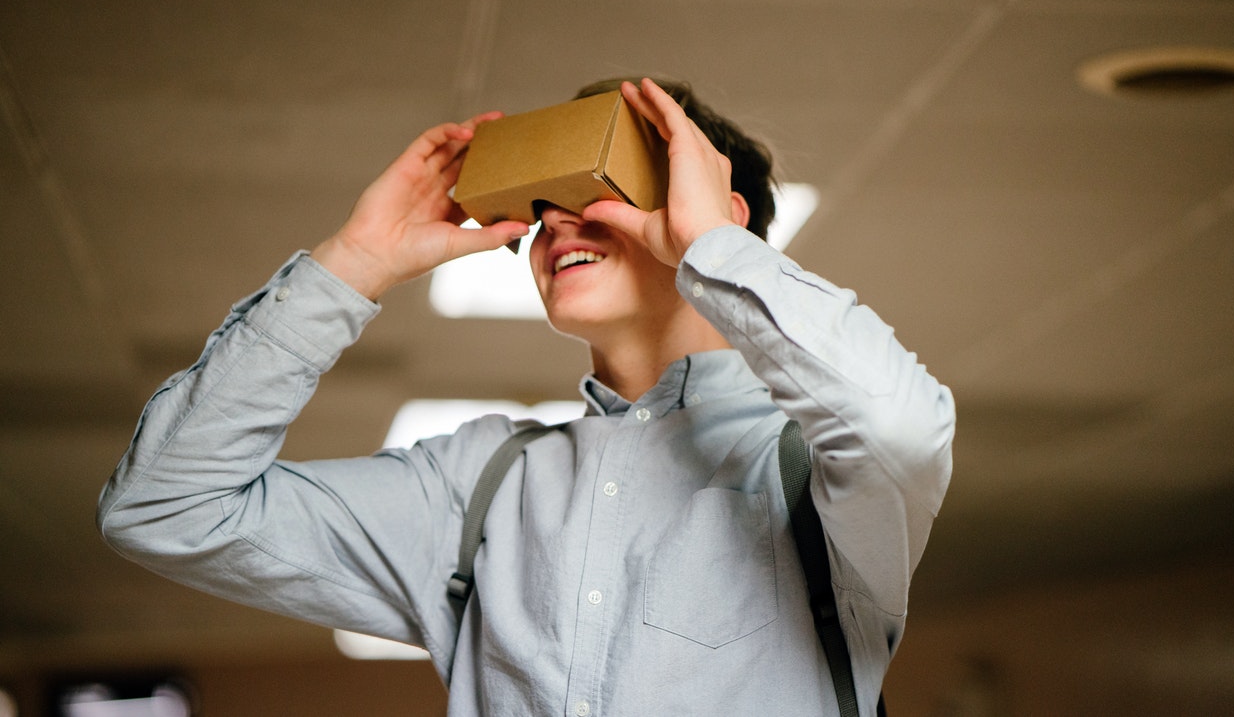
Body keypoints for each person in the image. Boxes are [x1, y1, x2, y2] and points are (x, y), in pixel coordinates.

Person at [98, 78, 955, 716]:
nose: (555, 228)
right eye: (546, 210)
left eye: (598, 199)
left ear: (713, 215)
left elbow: (902, 428)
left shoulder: (808, 468)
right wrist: (355, 263)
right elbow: (164, 506)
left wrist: (716, 251)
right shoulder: (481, 484)